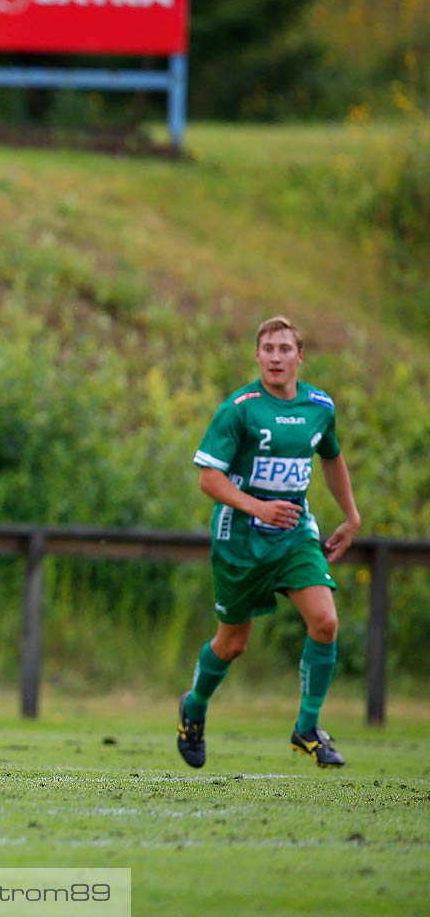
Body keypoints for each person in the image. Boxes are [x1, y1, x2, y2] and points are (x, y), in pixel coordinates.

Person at [177, 315, 363, 769]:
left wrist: (352, 516)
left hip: (294, 533)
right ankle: (194, 707)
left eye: (284, 349)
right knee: (233, 642)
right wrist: (257, 506)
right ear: (257, 356)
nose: (276, 357)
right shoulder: (240, 407)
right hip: (239, 538)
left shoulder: (320, 406)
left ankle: (306, 727)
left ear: (300, 356)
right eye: (267, 349)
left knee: (325, 622)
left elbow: (332, 458)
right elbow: (208, 479)